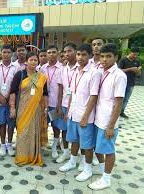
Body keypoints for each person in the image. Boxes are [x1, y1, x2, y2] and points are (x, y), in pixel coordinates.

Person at [59, 44, 102, 182]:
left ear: (90, 55)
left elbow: (93, 97)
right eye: (78, 54)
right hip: (73, 113)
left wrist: (85, 117)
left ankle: (87, 169)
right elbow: (72, 92)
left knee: (87, 145)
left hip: (85, 116)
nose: (80, 57)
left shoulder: (94, 72)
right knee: (74, 140)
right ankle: (72, 161)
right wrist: (69, 111)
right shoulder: (76, 71)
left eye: (84, 55)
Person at [89, 43, 127, 190]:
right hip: (98, 118)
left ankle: (106, 179)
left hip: (108, 121)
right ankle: (102, 169)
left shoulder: (119, 76)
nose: (104, 59)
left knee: (108, 150)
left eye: (108, 56)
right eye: (102, 56)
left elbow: (118, 103)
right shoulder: (101, 71)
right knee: (97, 148)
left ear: (116, 57)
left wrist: (111, 126)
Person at [9, 51, 48, 166]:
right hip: (21, 109)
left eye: (35, 60)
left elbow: (45, 93)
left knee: (34, 132)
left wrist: (45, 109)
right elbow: (12, 93)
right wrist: (12, 108)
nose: (33, 62)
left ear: (38, 62)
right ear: (26, 62)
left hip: (36, 109)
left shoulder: (42, 77)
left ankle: (33, 156)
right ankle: (22, 157)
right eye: (31, 59)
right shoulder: (19, 75)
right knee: (22, 132)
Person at [56, 42, 77, 164]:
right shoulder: (62, 69)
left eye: (70, 51)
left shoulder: (80, 68)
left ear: (75, 52)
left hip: (76, 106)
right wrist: (59, 106)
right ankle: (65, 152)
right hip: (63, 104)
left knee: (75, 133)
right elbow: (60, 89)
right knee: (63, 130)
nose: (67, 54)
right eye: (65, 52)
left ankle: (77, 157)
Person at [0, 45, 17, 156]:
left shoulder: (15, 67)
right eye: (4, 52)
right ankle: (3, 145)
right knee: (2, 124)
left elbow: (16, 85)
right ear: (1, 53)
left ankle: (9, 144)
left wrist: (8, 97)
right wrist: (0, 96)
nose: (6, 54)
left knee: (11, 124)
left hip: (11, 101)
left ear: (12, 54)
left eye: (8, 52)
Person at [40, 45, 62, 159]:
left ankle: (54, 146)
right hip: (44, 103)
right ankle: (42, 144)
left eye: (54, 52)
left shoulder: (62, 68)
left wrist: (59, 104)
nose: (51, 54)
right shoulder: (42, 68)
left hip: (54, 103)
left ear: (58, 53)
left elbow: (62, 88)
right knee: (43, 125)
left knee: (56, 126)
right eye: (49, 52)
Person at [118, 47, 142, 119]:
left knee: (126, 99)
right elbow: (118, 70)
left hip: (131, 83)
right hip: (122, 83)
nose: (135, 56)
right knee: (119, 98)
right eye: (134, 54)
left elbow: (139, 74)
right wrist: (130, 69)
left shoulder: (137, 61)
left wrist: (138, 71)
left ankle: (121, 112)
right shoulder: (123, 60)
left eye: (136, 55)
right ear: (130, 52)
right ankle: (116, 112)